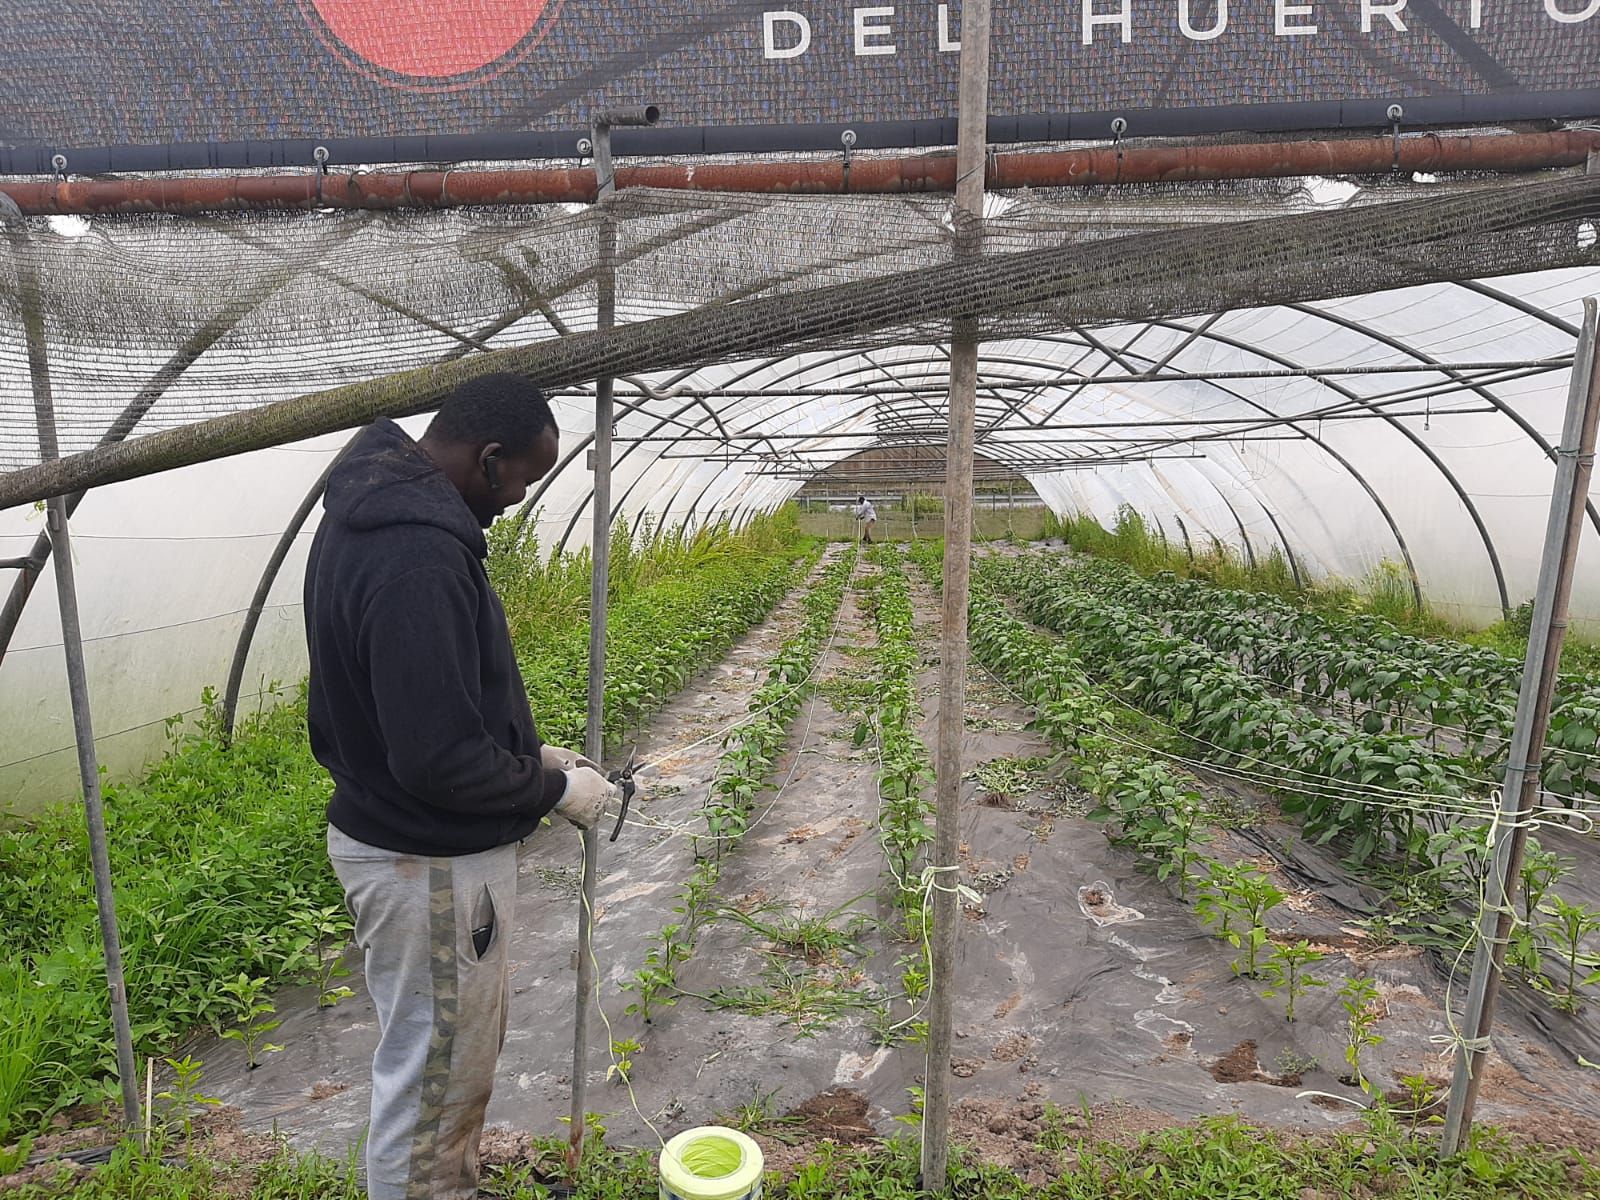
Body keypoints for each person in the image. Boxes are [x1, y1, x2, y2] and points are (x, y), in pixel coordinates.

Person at [303, 372, 615, 1200]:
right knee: (434, 1078)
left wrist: (526, 752)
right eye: (524, 479)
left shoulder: (373, 517)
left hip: (410, 848)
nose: (518, 499)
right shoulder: (417, 553)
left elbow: (412, 708)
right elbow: (436, 759)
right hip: (427, 864)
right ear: (488, 458)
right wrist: (552, 792)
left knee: (437, 1064)